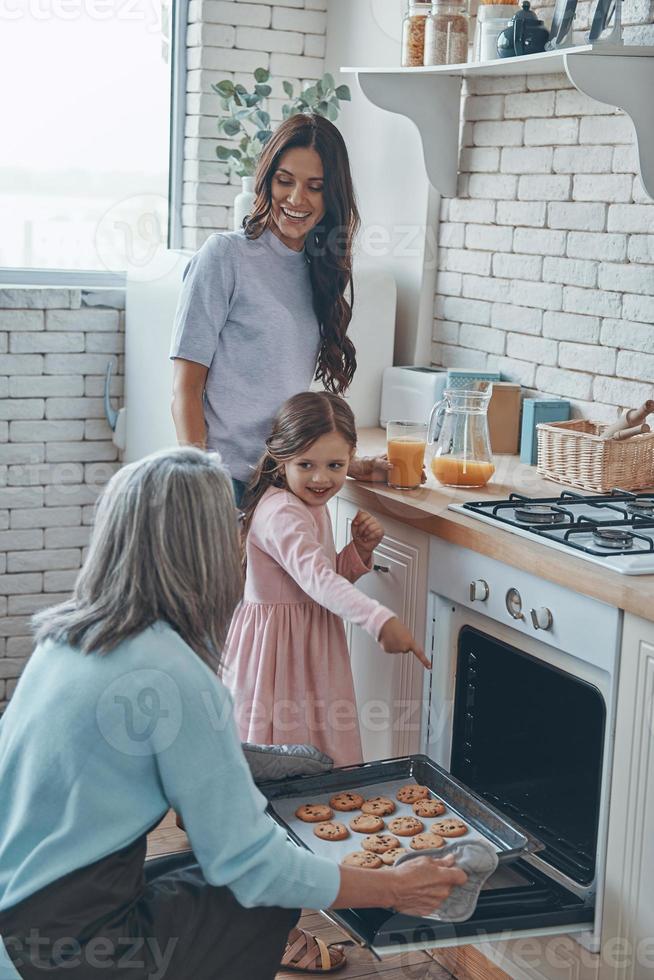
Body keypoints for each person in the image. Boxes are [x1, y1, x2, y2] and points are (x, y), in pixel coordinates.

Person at [0, 448, 465, 980]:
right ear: (206, 550)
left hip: (17, 920)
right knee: (261, 899)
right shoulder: (175, 674)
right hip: (65, 951)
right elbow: (254, 867)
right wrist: (396, 888)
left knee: (198, 873)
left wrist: (259, 759)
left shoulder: (65, 639)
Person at [170, 113, 390, 506]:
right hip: (222, 485)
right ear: (267, 180)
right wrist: (201, 484)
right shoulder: (226, 256)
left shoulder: (318, 271)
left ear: (332, 195)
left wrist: (347, 464)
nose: (295, 199)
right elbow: (186, 388)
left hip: (281, 487)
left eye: (315, 187)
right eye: (284, 181)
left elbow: (285, 401)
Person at [223, 392, 430, 769]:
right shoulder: (283, 513)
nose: (321, 478)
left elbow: (315, 577)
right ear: (280, 459)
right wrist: (378, 620)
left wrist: (358, 553)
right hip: (280, 654)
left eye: (335, 465)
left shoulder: (305, 504)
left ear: (352, 457)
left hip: (305, 643)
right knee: (284, 752)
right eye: (306, 465)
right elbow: (317, 580)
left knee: (310, 741)